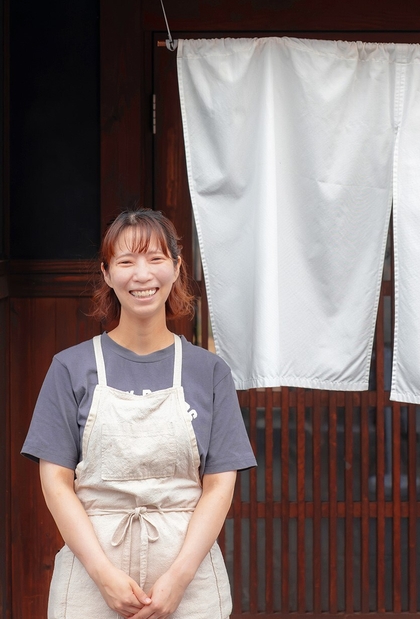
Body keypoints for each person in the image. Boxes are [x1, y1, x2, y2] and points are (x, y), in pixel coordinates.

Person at [22, 209, 256, 619]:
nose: (142, 275)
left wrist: (179, 578)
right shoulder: (70, 367)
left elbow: (220, 485)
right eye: (126, 262)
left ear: (177, 267)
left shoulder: (209, 371)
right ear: (108, 273)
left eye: (155, 259)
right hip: (91, 580)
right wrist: (103, 575)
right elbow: (55, 481)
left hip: (190, 580)